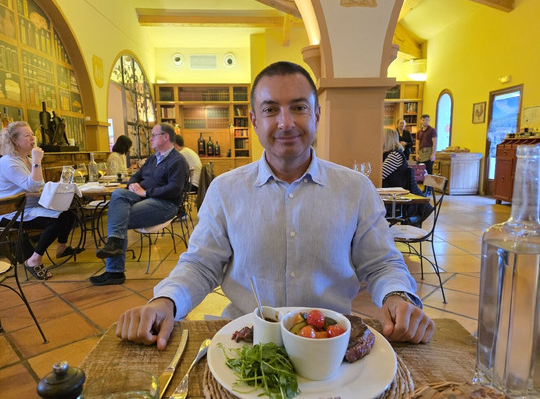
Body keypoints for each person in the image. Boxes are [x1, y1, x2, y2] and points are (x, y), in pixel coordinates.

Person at [115, 61, 434, 349]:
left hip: (329, 344)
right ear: (254, 120)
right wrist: (166, 301)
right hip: (244, 343)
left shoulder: (356, 189)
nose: (285, 122)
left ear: (316, 115)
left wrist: (398, 296)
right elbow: (201, 265)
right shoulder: (225, 190)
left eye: (298, 107)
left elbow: (381, 264)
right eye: (270, 110)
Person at [89, 123, 189, 286]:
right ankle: (114, 245)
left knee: (118, 216)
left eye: (154, 135)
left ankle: (114, 270)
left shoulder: (177, 161)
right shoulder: (153, 158)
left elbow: (174, 189)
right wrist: (132, 185)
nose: (150, 139)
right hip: (143, 198)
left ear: (166, 137)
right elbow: (136, 176)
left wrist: (146, 192)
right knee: (118, 194)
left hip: (165, 204)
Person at [0, 121, 78, 280]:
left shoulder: (25, 158)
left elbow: (38, 186)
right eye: (26, 135)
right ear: (14, 141)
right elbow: (33, 186)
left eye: (32, 134)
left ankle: (61, 248)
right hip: (13, 212)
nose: (32, 138)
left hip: (30, 207)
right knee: (59, 220)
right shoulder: (9, 162)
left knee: (70, 210)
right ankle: (34, 260)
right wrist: (37, 160)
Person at [382, 128, 432, 224]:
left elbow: (380, 175)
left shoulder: (395, 155)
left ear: (387, 139)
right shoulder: (388, 154)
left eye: (381, 137)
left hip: (399, 200)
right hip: (392, 196)